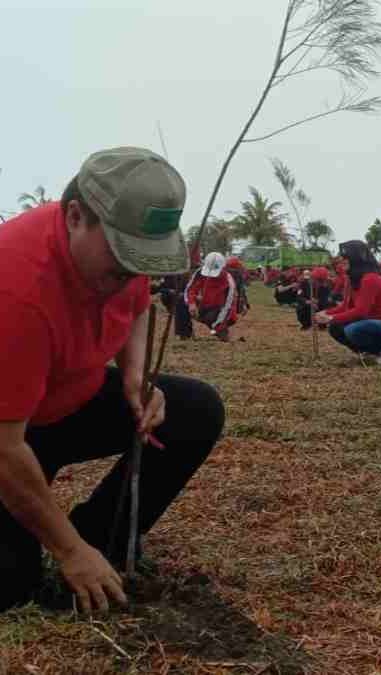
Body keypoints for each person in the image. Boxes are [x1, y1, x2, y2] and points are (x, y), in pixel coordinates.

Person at [0, 147, 223, 612]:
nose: (130, 275)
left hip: (64, 401)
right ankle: (78, 552)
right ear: (76, 216)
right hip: (10, 433)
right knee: (9, 583)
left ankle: (102, 539)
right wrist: (68, 552)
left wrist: (134, 376)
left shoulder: (121, 258)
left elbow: (138, 304)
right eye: (122, 261)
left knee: (194, 409)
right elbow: (4, 448)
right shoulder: (15, 290)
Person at [314, 241, 381, 366]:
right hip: (372, 324)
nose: (341, 260)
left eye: (345, 257)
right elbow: (345, 306)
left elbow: (361, 311)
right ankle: (370, 353)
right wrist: (325, 313)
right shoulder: (351, 279)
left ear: (356, 258)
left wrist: (331, 317)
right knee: (336, 327)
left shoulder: (370, 278)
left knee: (352, 330)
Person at [186, 252, 238, 342]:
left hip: (222, 311)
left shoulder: (228, 281)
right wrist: (191, 303)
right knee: (180, 303)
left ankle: (220, 331)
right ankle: (184, 334)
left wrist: (218, 326)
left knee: (211, 318)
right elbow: (190, 289)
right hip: (203, 306)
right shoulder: (199, 273)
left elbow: (228, 306)